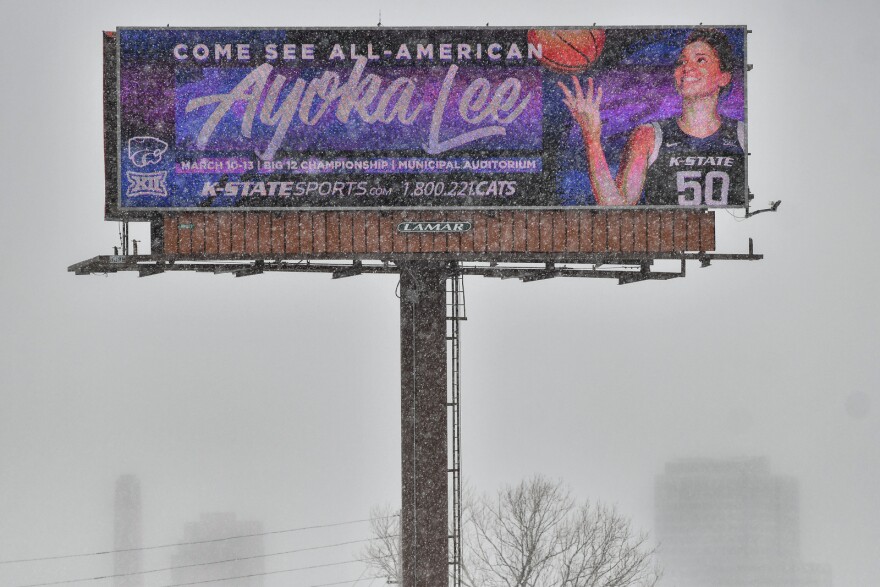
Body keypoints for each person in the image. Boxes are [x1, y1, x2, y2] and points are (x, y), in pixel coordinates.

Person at [558, 29, 745, 206]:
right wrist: (592, 138)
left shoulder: (744, 135)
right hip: (668, 237)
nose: (687, 67)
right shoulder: (648, 136)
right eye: (682, 62)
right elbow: (616, 206)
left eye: (701, 60)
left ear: (724, 77)